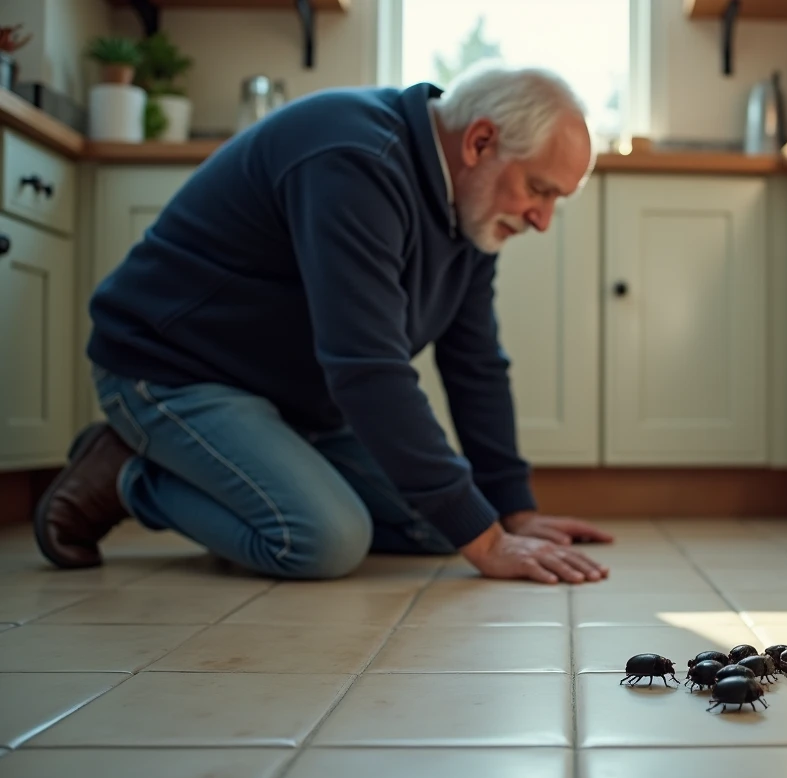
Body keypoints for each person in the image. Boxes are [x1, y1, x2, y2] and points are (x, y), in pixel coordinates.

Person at [33, 63, 614, 585]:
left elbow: (475, 362)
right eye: (540, 190)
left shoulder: (474, 211)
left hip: (294, 399)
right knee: (323, 541)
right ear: (480, 141)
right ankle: (135, 475)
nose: (542, 220)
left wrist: (512, 512)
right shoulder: (355, 156)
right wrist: (488, 545)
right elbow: (367, 366)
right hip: (171, 369)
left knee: (449, 521)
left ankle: (224, 461)